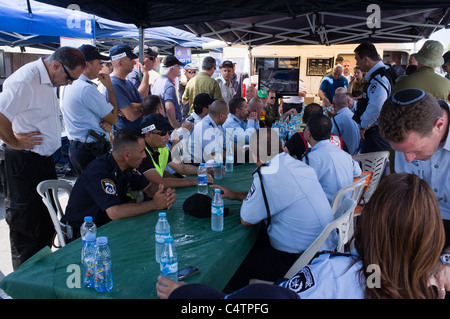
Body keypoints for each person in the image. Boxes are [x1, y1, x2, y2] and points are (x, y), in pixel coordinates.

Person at [157, 173, 450, 299]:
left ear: (371, 222)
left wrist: (189, 295)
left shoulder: (342, 275)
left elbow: (267, 298)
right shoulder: (424, 281)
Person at [186, 128, 335, 290]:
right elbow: (274, 196)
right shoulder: (298, 164)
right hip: (323, 248)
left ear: (256, 157)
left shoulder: (267, 174)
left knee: (232, 267)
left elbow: (247, 219)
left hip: (298, 259)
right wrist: (235, 195)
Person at [0, 46, 85, 269]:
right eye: (69, 78)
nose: (69, 84)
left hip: (43, 160)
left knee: (48, 221)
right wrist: (14, 141)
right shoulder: (25, 79)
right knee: (26, 224)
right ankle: (26, 284)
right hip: (23, 160)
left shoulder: (50, 78)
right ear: (56, 65)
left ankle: (44, 276)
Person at [61, 129, 177, 238]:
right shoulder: (99, 171)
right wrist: (154, 204)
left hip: (109, 227)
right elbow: (115, 212)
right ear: (127, 155)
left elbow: (148, 187)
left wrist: (165, 195)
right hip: (84, 235)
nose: (145, 155)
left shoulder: (126, 166)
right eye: (141, 151)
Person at [378, 88, 450, 248]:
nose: (408, 159)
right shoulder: (407, 140)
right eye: (400, 151)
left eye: (416, 150)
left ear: (439, 126)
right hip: (420, 222)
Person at [61, 44, 118, 175]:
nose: (100, 67)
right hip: (89, 150)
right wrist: (109, 87)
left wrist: (107, 123)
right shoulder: (86, 88)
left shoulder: (68, 83)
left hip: (79, 147)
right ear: (86, 64)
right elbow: (114, 118)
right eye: (98, 63)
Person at [138, 113, 213, 189]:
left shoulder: (162, 148)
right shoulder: (141, 153)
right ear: (148, 135)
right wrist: (194, 181)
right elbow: (160, 182)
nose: (167, 136)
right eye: (163, 133)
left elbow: (181, 168)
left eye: (168, 132)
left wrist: (207, 170)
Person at [302, 113, 361, 203]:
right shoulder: (344, 154)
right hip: (346, 209)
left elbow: (304, 187)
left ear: (308, 133)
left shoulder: (311, 158)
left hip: (325, 211)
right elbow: (358, 172)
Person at [352, 42, 391, 153]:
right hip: (379, 130)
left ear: (366, 59)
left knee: (370, 169)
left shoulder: (378, 79)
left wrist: (363, 125)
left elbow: (376, 107)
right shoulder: (383, 74)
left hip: (376, 133)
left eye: (357, 59)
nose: (357, 63)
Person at [107, 44, 143, 134]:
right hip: (127, 139)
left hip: (135, 135)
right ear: (120, 63)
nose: (134, 62)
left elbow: (145, 103)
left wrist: (137, 106)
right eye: (130, 59)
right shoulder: (113, 84)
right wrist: (144, 108)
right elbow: (132, 116)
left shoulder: (127, 81)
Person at [152, 55, 184, 129]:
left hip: (160, 123)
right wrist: (174, 124)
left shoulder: (159, 80)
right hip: (168, 126)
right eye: (178, 66)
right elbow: (169, 107)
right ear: (172, 68)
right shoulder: (168, 85)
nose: (179, 69)